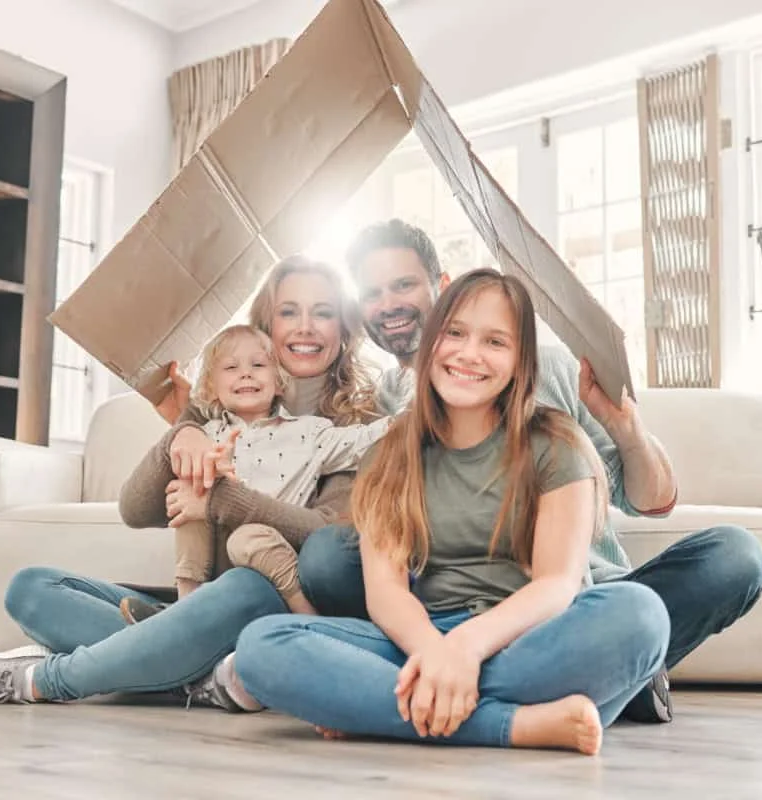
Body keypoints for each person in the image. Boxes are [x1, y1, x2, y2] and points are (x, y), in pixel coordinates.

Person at [295, 219, 762, 724]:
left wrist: (626, 429)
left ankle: (433, 692)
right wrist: (195, 425)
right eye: (372, 293)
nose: (388, 303)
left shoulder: (553, 370)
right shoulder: (383, 405)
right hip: (445, 610)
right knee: (325, 557)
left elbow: (653, 501)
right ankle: (581, 685)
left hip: (570, 599)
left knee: (732, 558)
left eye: (404, 285)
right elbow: (271, 397)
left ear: (443, 285)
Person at [0, 255, 380, 712]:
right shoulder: (216, 410)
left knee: (244, 583)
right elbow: (136, 509)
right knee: (31, 589)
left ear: (343, 332)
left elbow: (327, 535)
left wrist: (220, 500)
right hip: (195, 604)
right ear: (266, 325)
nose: (305, 327)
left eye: (324, 313)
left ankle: (40, 680)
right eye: (288, 312)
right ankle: (200, 675)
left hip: (265, 596)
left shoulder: (353, 430)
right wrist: (185, 432)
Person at [235, 269, 670, 754]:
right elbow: (385, 593)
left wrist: (466, 651)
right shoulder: (389, 454)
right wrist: (437, 652)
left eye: (495, 341)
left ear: (520, 361)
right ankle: (518, 725)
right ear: (431, 343)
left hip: (526, 637)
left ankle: (382, 710)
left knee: (643, 614)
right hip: (422, 638)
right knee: (262, 646)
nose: (469, 354)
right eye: (456, 333)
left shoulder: (556, 444)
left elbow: (557, 584)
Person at [147, 323, 390, 615]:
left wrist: (409, 418)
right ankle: (185, 607)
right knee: (188, 493)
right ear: (211, 387)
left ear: (279, 381)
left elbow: (363, 441)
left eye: (258, 365)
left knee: (246, 538)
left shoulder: (309, 433)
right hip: (220, 555)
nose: (246, 373)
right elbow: (174, 473)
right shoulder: (206, 435)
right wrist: (207, 468)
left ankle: (306, 616)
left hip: (275, 547)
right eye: (231, 367)